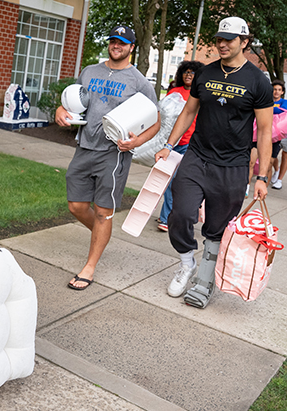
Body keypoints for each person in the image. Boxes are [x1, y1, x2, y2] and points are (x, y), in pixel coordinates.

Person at [155, 16, 274, 308]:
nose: (221, 43)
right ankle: (187, 264)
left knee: (217, 228)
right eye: (219, 38)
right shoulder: (205, 74)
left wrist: (261, 177)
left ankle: (204, 283)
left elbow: (266, 132)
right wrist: (169, 145)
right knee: (180, 215)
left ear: (244, 42)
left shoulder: (258, 81)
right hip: (197, 156)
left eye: (228, 39)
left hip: (233, 166)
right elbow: (187, 112)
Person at [56, 24, 160, 290]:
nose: (116, 46)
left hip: (114, 154)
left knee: (104, 212)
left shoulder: (138, 81)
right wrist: (61, 109)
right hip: (85, 148)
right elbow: (73, 101)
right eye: (113, 40)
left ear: (131, 48)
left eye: (122, 43)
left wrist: (137, 141)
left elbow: (155, 121)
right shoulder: (90, 72)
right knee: (76, 206)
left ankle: (89, 267)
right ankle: (101, 234)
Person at [157, 60, 205, 232]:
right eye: (186, 71)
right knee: (165, 180)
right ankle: (168, 215)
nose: (188, 75)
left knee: (176, 182)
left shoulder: (200, 94)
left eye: (192, 72)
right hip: (170, 143)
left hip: (189, 144)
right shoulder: (174, 92)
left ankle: (166, 218)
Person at [248, 79, 287, 192]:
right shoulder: (265, 99)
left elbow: (283, 111)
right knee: (251, 161)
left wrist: (267, 109)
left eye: (279, 90)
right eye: (275, 89)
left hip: (274, 138)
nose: (276, 92)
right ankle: (246, 187)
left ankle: (264, 188)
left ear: (282, 92)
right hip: (259, 135)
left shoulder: (285, 102)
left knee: (269, 165)